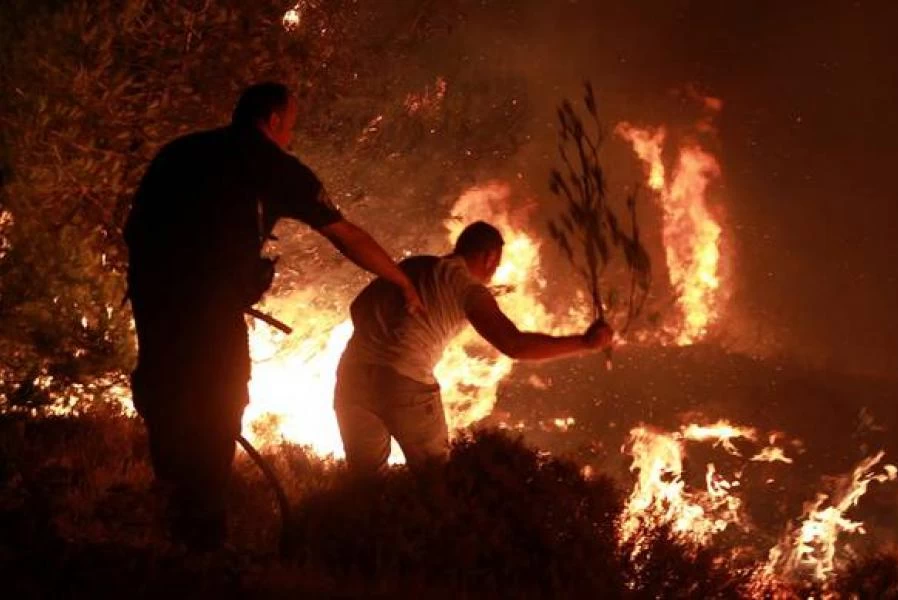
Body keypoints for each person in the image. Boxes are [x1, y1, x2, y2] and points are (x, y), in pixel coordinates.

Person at [124, 82, 423, 550]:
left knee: (165, 401)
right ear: (274, 120)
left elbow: (136, 227)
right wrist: (401, 280)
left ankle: (169, 516)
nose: (292, 138)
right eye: (291, 127)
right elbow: (347, 235)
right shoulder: (274, 167)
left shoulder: (180, 152)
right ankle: (201, 538)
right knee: (218, 409)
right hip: (208, 311)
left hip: (154, 302)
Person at [335, 220, 614, 474]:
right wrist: (585, 343)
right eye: (497, 262)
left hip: (351, 377)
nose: (495, 270)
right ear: (489, 256)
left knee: (365, 480)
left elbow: (357, 306)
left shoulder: (415, 265)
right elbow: (514, 345)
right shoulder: (466, 288)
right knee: (435, 477)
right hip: (405, 383)